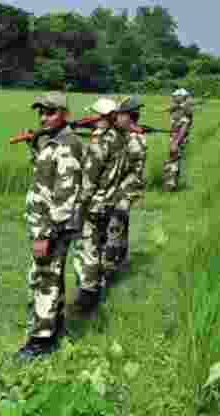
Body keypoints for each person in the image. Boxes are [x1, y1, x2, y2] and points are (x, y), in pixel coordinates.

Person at [15, 92, 83, 360]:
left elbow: (65, 195)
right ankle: (55, 330)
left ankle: (40, 342)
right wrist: (35, 146)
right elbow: (45, 176)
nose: (44, 117)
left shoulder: (67, 144)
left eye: (50, 112)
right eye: (41, 112)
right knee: (52, 277)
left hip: (53, 227)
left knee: (45, 279)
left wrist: (45, 235)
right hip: (47, 225)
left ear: (64, 114)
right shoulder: (54, 142)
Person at [72, 97, 128, 314]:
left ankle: (87, 297)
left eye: (96, 116)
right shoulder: (120, 138)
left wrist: (78, 206)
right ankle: (98, 288)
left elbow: (89, 179)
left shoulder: (102, 142)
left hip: (95, 204)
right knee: (99, 245)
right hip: (111, 201)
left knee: (88, 249)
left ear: (104, 117)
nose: (93, 120)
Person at [103, 96, 147, 281]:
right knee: (120, 226)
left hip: (124, 190)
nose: (115, 118)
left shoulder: (133, 139)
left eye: (119, 115)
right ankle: (120, 261)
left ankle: (110, 269)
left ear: (129, 116)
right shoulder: (133, 135)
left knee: (114, 228)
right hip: (125, 189)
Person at [163, 88, 194, 192]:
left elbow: (184, 128)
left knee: (173, 162)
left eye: (176, 96)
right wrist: (172, 108)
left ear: (182, 97)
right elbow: (170, 108)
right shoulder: (179, 107)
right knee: (174, 161)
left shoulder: (186, 109)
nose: (173, 97)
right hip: (175, 138)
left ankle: (170, 187)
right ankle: (172, 185)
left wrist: (176, 143)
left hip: (179, 139)